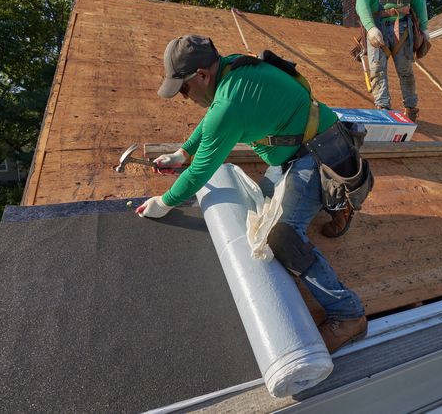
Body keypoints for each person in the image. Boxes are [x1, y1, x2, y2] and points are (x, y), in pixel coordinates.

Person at [135, 35, 368, 353]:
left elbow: (200, 171)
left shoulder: (229, 104)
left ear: (201, 75)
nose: (185, 98)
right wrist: (182, 152)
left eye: (184, 89)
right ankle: (332, 200)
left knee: (281, 235)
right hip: (310, 142)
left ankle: (348, 315)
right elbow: (212, 118)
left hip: (319, 154)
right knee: (264, 201)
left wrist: (163, 203)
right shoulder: (230, 66)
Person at [356, 0, 429, 121]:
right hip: (377, 27)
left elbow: (419, 0)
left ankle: (411, 110)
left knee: (406, 70)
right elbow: (361, 3)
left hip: (403, 28)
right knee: (377, 70)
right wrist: (370, 28)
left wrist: (424, 29)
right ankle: (383, 111)